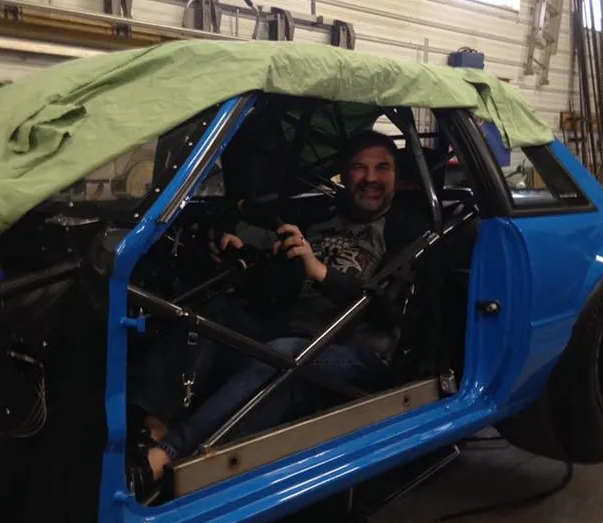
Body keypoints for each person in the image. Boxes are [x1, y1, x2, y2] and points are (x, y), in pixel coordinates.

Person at [127, 129, 402, 498]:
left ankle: (167, 455)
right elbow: (278, 291)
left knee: (284, 352)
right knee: (211, 312)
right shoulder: (321, 222)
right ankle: (152, 428)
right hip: (291, 330)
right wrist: (248, 256)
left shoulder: (402, 229)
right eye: (359, 167)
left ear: (396, 176)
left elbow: (391, 309)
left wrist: (320, 272)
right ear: (345, 175)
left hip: (356, 351)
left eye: (382, 167)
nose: (370, 178)